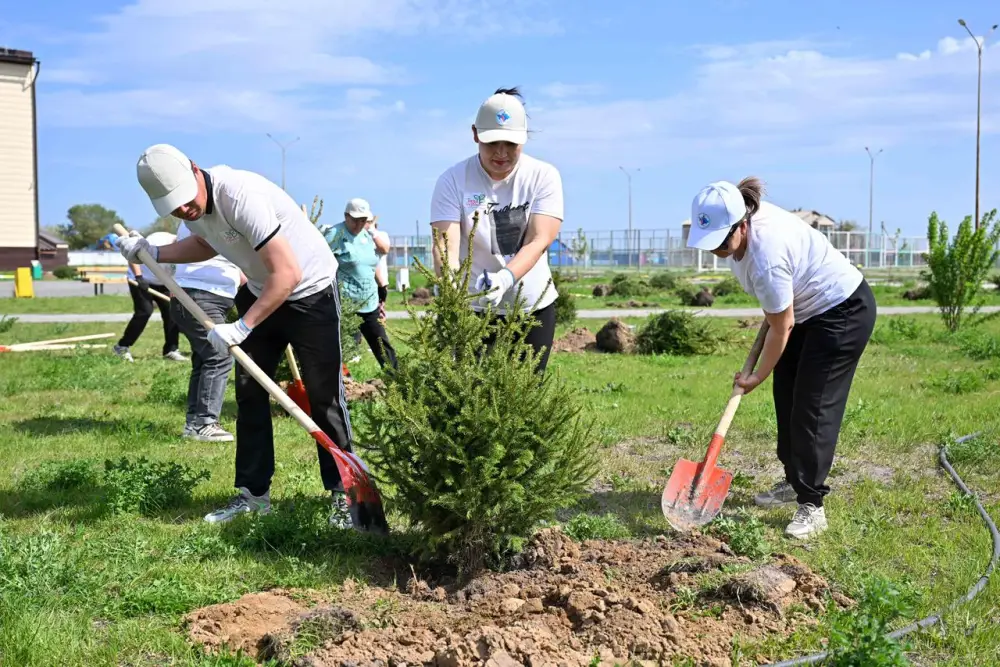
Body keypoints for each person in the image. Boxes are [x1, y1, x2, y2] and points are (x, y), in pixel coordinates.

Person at [120, 143, 356, 528]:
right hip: (265, 286)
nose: (184, 210)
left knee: (323, 395)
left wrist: (243, 325)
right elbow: (204, 241)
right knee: (249, 394)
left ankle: (345, 494)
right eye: (173, 207)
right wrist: (153, 253)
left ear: (196, 170)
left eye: (185, 200)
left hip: (308, 290)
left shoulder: (240, 195)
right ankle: (253, 495)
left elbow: (288, 274)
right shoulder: (193, 208)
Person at [686, 177, 876, 540]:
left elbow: (781, 325)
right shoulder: (743, 234)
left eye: (722, 242)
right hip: (804, 314)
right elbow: (780, 316)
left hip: (842, 312)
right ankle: (794, 480)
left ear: (742, 225)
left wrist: (756, 376)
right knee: (786, 397)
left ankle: (812, 505)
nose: (717, 250)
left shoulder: (767, 255)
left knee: (812, 407)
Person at [429, 86, 563, 374]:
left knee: (526, 393)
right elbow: (445, 245)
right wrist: (451, 293)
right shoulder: (453, 180)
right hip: (473, 308)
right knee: (471, 390)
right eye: (492, 143)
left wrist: (505, 277)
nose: (501, 153)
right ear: (475, 134)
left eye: (510, 144)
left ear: (524, 139)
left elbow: (539, 239)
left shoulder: (543, 176)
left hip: (530, 306)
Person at [170, 221, 245, 443]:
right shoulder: (205, 217)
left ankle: (194, 423)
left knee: (204, 359)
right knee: (219, 356)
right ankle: (205, 423)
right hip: (200, 295)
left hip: (203, 294)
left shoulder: (209, 217)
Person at [320, 198, 397, 370]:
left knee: (382, 345)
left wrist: (382, 285)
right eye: (355, 220)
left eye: (363, 220)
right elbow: (320, 264)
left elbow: (370, 262)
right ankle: (340, 383)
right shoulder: (335, 235)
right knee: (339, 348)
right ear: (346, 216)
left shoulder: (367, 234)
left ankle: (398, 382)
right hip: (346, 303)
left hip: (369, 301)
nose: (359, 224)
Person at [114, 230, 187, 363]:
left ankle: (171, 350)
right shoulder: (158, 239)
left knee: (171, 314)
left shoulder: (185, 252)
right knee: (144, 312)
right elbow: (133, 253)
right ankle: (122, 347)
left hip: (164, 282)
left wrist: (175, 289)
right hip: (140, 279)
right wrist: (139, 277)